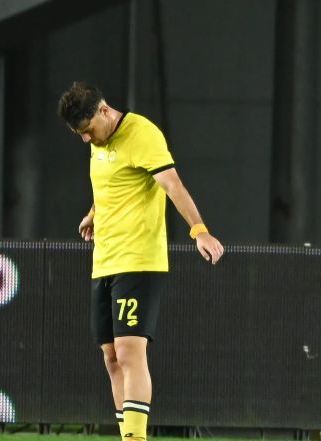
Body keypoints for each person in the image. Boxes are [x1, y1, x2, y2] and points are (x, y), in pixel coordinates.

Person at [57, 82, 224, 441]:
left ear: (104, 111)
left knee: (129, 352)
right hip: (104, 260)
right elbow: (112, 183)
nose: (86, 139)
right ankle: (128, 436)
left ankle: (136, 439)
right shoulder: (99, 141)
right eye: (79, 134)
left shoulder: (142, 134)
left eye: (87, 130)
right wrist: (94, 213)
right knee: (110, 357)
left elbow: (173, 185)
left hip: (139, 260)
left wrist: (200, 231)